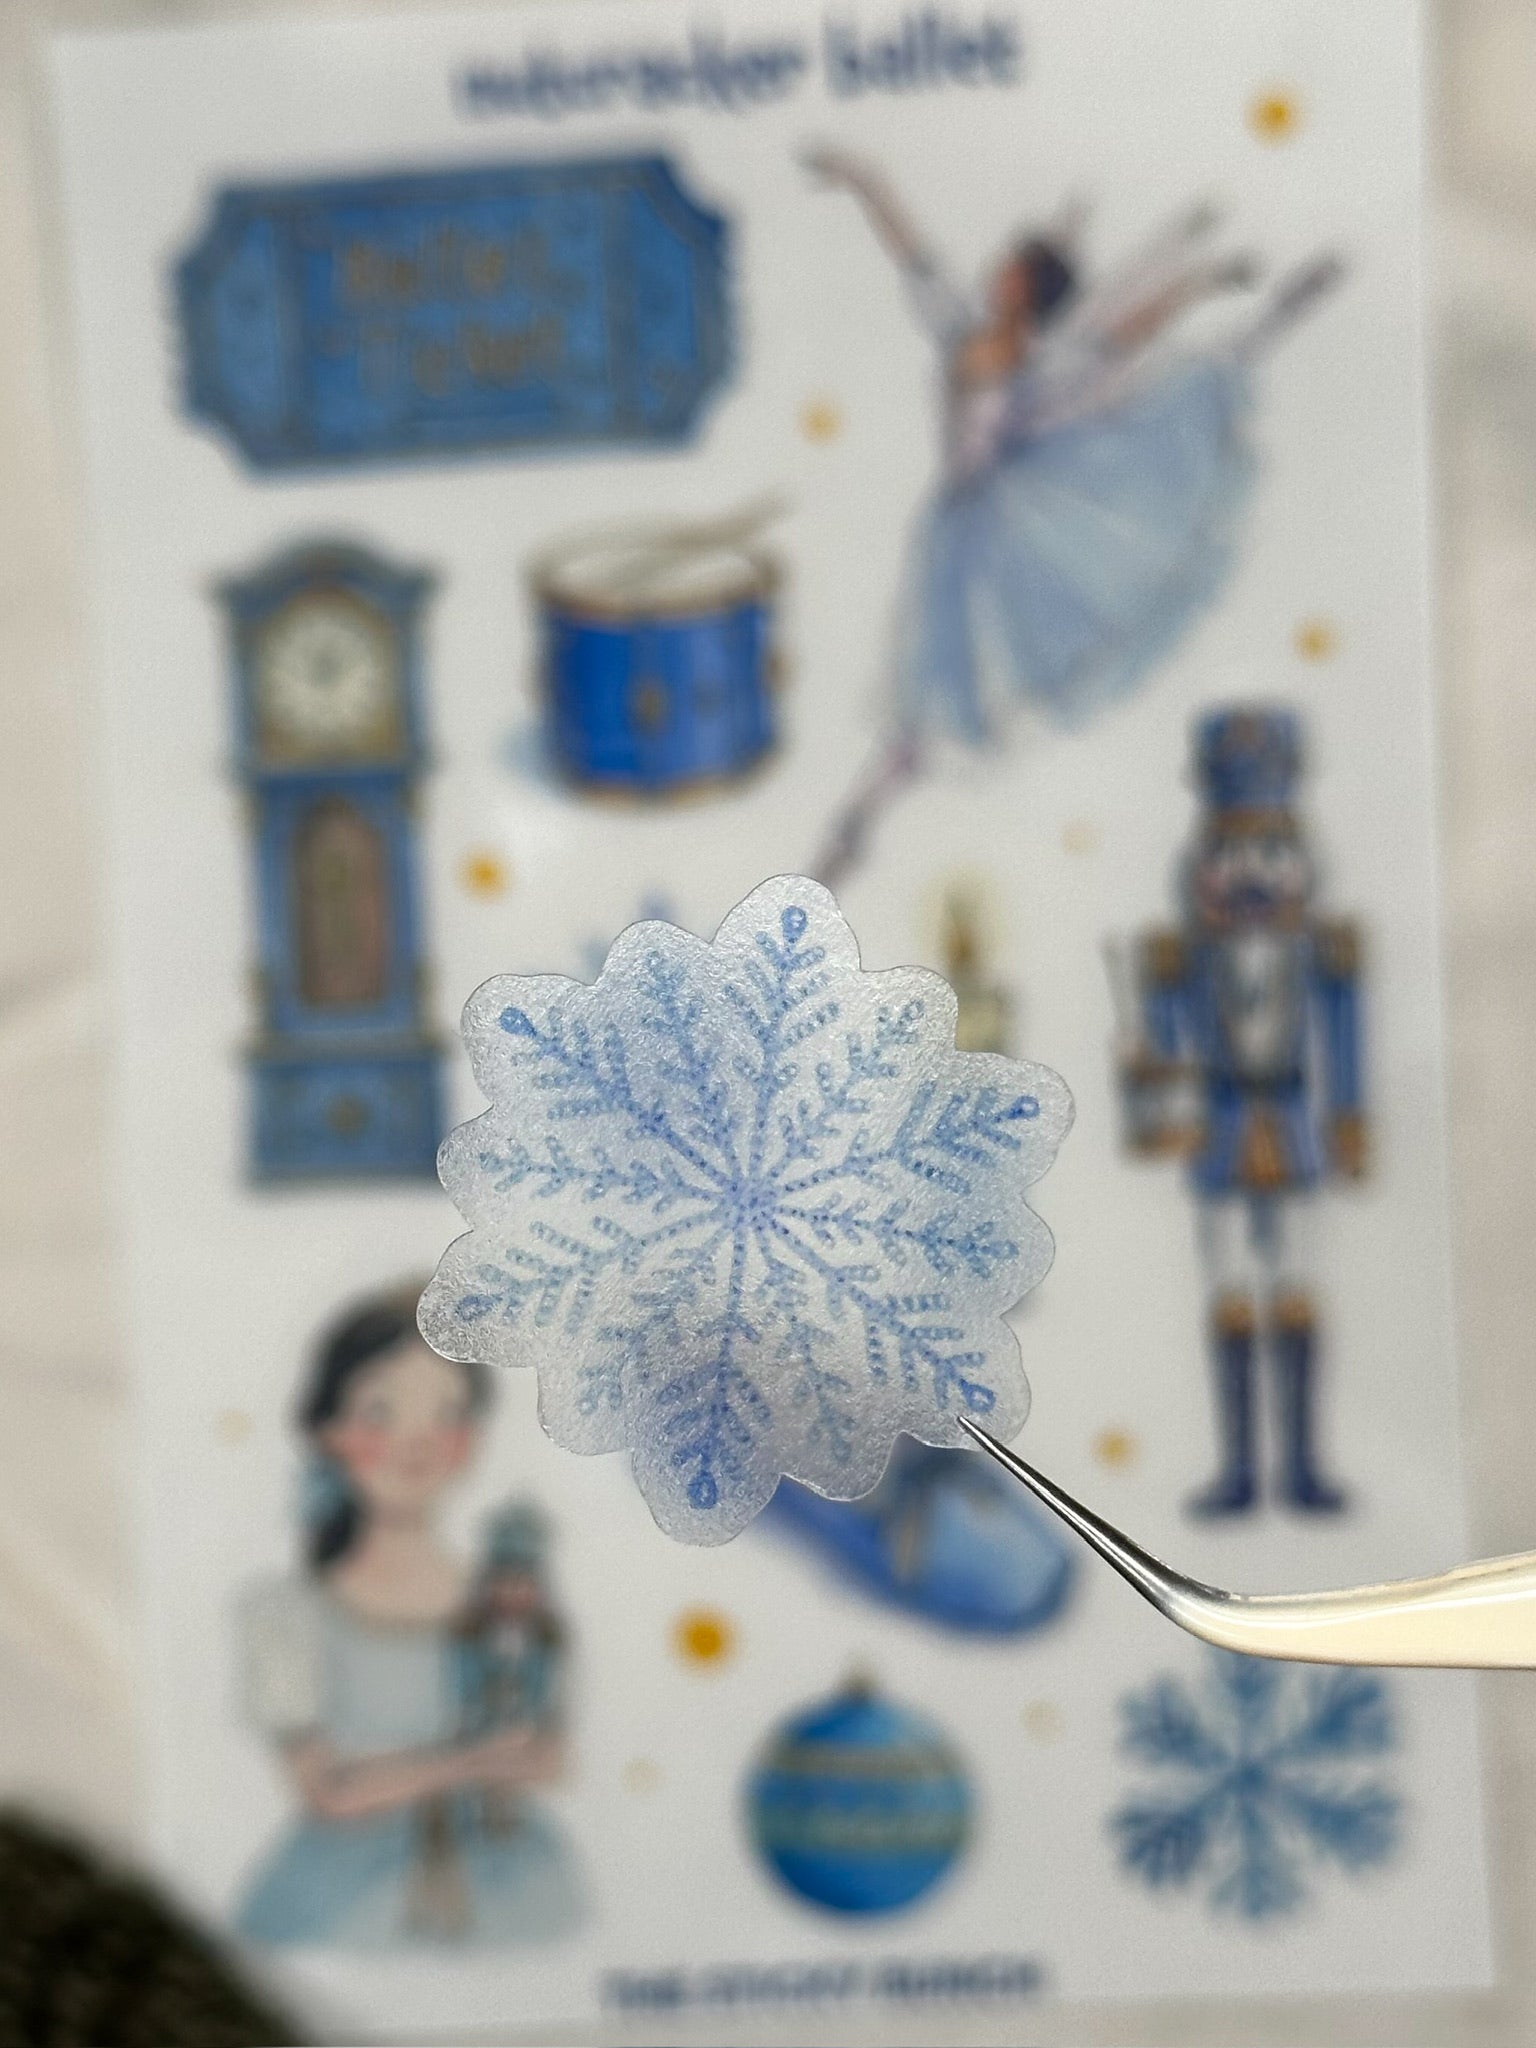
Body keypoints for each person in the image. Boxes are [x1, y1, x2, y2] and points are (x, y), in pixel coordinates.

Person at [803, 147, 1342, 884]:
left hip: (1010, 527)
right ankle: (855, 828)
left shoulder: (1041, 366)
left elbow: (1129, 332)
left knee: (1180, 395)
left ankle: (1277, 318)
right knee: (924, 695)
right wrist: (863, 181)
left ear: (1024, 289)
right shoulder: (961, 328)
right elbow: (912, 254)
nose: (995, 270)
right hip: (958, 533)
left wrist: (1203, 282)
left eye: (1010, 268)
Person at [234, 1286, 583, 1946]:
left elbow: (551, 1756)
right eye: (380, 1413)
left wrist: (520, 1754)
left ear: (471, 1438)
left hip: (512, 1887)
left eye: (445, 1415)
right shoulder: (286, 1614)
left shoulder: (509, 1604)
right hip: (345, 1901)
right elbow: (329, 1792)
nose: (415, 1442)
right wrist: (474, 1762)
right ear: (327, 1432)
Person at [1115, 710, 1365, 1516]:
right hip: (1220, 1131)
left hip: (1292, 1127)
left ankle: (1302, 1467)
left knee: (1296, 1286)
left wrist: (1349, 1118)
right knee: (1227, 1291)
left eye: (1270, 850)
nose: (1251, 875)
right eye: (1231, 852)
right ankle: (1239, 1473)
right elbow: (1162, 1050)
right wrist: (1150, 1065)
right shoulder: (1183, 960)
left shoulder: (1322, 952)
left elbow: (1345, 1038)